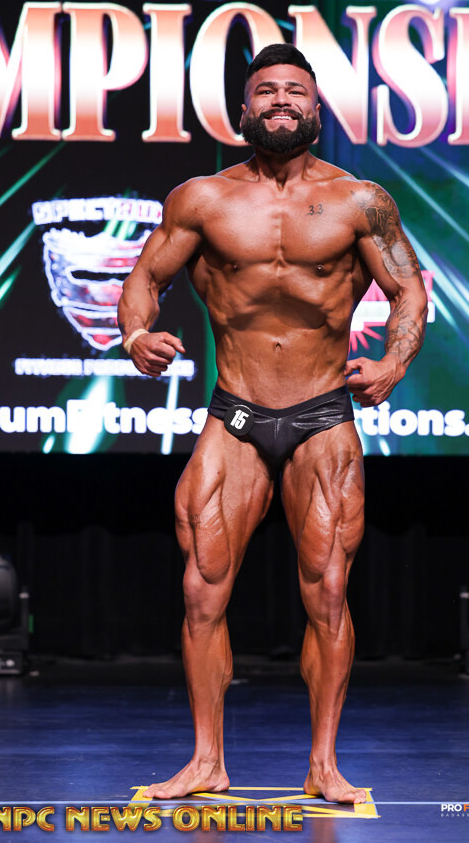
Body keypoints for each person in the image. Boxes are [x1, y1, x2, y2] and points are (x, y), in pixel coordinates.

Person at [117, 43, 427, 804]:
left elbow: (409, 290)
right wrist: (135, 335)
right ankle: (206, 762)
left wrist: (394, 363)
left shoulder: (361, 201)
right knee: (202, 592)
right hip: (236, 414)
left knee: (328, 591)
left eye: (295, 90)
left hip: (323, 414)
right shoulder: (202, 200)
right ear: (245, 109)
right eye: (266, 90)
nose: (281, 100)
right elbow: (145, 276)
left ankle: (323, 765)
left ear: (316, 109)